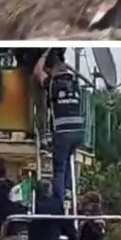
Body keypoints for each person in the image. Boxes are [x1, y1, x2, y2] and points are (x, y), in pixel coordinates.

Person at [34, 48, 84, 205]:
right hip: (79, 131)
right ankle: (68, 192)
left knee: (59, 168)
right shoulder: (75, 83)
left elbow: (37, 71)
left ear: (50, 70)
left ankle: (59, 200)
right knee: (68, 160)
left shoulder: (52, 84)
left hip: (63, 132)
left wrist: (45, 52)